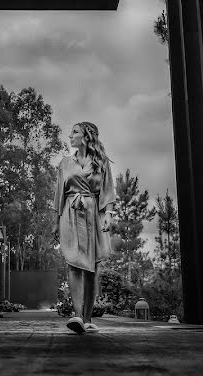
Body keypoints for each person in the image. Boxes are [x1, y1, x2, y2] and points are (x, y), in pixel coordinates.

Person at [53, 121, 116, 334]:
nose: (70, 135)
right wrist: (56, 222)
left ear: (86, 137)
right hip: (70, 214)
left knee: (93, 268)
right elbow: (58, 195)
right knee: (74, 263)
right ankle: (77, 316)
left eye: (75, 132)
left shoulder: (100, 161)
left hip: (94, 214)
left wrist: (108, 214)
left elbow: (108, 189)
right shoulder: (65, 163)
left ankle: (88, 318)